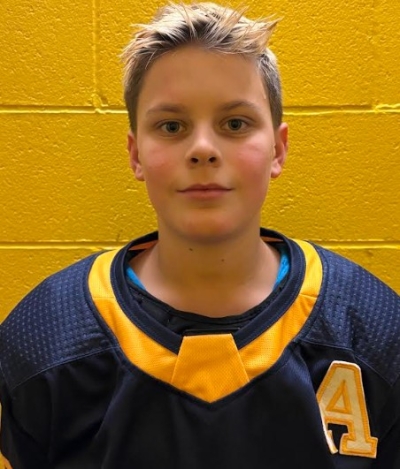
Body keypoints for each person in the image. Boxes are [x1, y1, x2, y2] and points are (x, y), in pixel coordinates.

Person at [0, 2, 399, 468]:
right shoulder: (43, 340)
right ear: (136, 154)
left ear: (278, 149)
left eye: (235, 123)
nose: (203, 149)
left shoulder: (374, 330)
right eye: (172, 126)